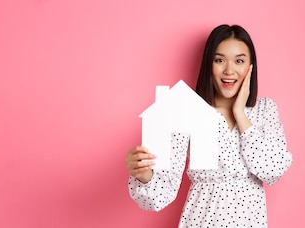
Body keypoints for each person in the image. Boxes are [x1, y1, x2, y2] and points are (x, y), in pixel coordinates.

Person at [126, 24, 293, 227]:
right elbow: (161, 194)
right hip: (202, 219)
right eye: (219, 60)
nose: (229, 70)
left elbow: (273, 169)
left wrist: (240, 113)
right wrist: (144, 175)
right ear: (209, 64)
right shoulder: (187, 109)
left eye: (239, 61)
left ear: (251, 66)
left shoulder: (265, 110)